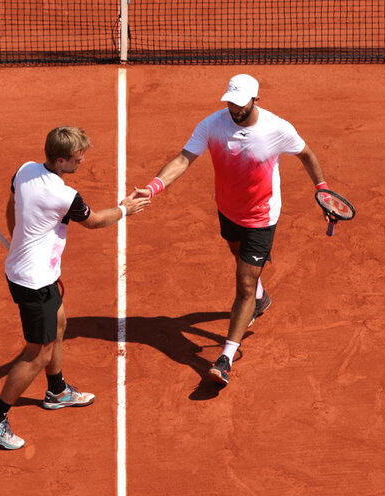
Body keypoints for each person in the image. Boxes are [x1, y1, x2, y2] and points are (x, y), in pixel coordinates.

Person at [135, 74, 331, 387]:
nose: (235, 110)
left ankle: (225, 357)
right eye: (231, 103)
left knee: (243, 282)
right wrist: (153, 187)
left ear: (256, 100)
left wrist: (322, 189)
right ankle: (260, 297)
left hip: (261, 215)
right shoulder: (212, 124)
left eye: (241, 104)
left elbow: (306, 154)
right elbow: (184, 158)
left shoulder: (277, 128)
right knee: (237, 255)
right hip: (228, 209)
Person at [0, 126, 151, 449]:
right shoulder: (64, 195)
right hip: (34, 283)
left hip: (35, 272)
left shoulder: (25, 170)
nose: (81, 163)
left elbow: (12, 202)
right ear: (60, 160)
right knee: (36, 355)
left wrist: (18, 241)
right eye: (76, 159)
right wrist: (127, 208)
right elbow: (94, 221)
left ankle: (56, 391)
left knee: (60, 323)